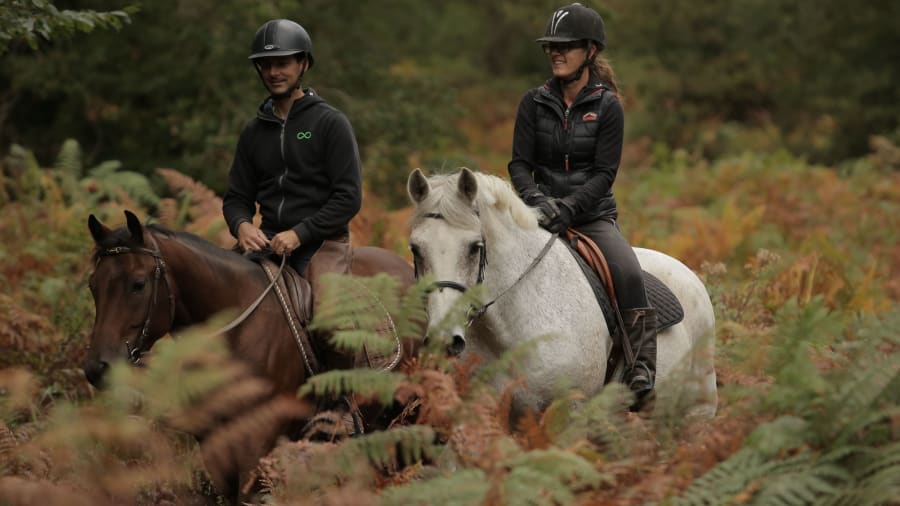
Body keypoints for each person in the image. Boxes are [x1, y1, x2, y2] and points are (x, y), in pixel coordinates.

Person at [507, 3, 657, 408]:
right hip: (538, 214)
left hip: (591, 217)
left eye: (566, 46)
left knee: (626, 270)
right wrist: (536, 200)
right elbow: (519, 164)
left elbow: (604, 173)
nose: (556, 53)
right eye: (551, 47)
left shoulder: (607, 106)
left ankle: (641, 365)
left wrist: (569, 208)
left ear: (590, 51)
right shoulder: (533, 102)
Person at [223, 18, 362, 275]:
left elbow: (348, 198)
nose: (273, 72)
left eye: (282, 63)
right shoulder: (253, 132)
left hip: (322, 243)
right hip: (268, 243)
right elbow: (236, 198)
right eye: (266, 65)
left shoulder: (331, 123)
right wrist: (241, 225)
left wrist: (300, 233)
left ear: (304, 64)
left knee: (324, 312)